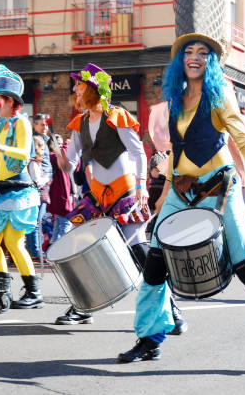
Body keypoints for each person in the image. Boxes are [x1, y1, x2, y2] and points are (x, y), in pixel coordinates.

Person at [116, 0, 245, 377]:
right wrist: (163, 194)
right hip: (181, 191)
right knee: (154, 266)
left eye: (204, 52)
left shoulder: (221, 98)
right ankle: (150, 338)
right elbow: (174, 153)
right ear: (179, 59)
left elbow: (242, 139)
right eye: (189, 51)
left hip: (221, 191)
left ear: (213, 61)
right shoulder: (172, 100)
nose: (195, 57)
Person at [54, 63, 187, 332]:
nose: (75, 92)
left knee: (138, 248)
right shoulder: (79, 123)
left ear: (93, 90)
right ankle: (83, 306)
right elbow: (70, 163)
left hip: (124, 190)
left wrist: (141, 185)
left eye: (79, 87)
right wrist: (61, 158)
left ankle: (171, 308)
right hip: (97, 195)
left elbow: (138, 152)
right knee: (83, 248)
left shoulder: (117, 116)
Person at [0, 65, 43, 309]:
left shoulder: (21, 123)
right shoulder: (2, 125)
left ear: (9, 101)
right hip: (1, 189)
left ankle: (33, 291)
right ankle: (1, 291)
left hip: (19, 190)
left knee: (14, 242)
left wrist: (1, 147)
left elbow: (23, 156)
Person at [25, 113, 53, 262]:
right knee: (36, 222)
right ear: (34, 125)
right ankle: (35, 252)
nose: (45, 127)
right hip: (40, 187)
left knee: (39, 221)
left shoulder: (44, 140)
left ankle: (35, 250)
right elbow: (38, 168)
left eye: (47, 125)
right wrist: (46, 179)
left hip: (44, 186)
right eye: (42, 124)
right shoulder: (34, 142)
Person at [47, 134, 74, 244]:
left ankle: (52, 249)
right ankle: (60, 249)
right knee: (66, 223)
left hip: (64, 194)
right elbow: (62, 160)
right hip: (59, 196)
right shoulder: (51, 156)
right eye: (58, 145)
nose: (61, 147)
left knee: (59, 223)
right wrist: (67, 145)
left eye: (61, 145)